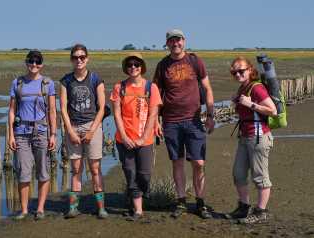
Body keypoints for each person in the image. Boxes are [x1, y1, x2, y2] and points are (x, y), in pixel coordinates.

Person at [153, 29, 215, 219]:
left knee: (199, 162)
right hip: (171, 121)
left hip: (194, 120)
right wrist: (156, 120)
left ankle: (200, 202)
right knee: (177, 162)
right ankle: (180, 201)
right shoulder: (163, 65)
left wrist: (211, 115)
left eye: (178, 40)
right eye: (171, 41)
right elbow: (155, 95)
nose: (175, 44)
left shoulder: (195, 61)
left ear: (184, 41)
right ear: (167, 44)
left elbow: (207, 87)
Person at [110, 53, 162, 221]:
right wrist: (124, 137)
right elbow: (116, 114)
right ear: (126, 67)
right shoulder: (120, 87)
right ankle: (138, 210)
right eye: (130, 64)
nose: (133, 67)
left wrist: (143, 138)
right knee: (130, 173)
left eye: (137, 64)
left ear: (142, 67)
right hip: (124, 140)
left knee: (145, 174)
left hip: (145, 140)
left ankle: (136, 195)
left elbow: (153, 114)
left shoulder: (150, 87)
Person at [225, 57, 276, 224]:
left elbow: (272, 110)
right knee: (238, 174)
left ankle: (261, 211)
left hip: (259, 136)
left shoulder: (257, 88)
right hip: (245, 136)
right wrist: (237, 102)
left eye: (241, 70)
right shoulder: (243, 88)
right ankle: (244, 207)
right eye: (234, 72)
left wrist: (251, 104)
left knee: (260, 176)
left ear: (250, 70)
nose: (238, 74)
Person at [60, 44, 108, 219]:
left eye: (82, 57)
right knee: (76, 168)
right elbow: (63, 109)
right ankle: (73, 207)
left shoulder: (96, 79)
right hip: (73, 127)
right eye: (75, 57)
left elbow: (102, 108)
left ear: (87, 58)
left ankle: (101, 207)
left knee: (95, 169)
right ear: (71, 60)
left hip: (92, 126)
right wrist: (71, 131)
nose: (79, 60)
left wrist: (91, 131)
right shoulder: (66, 81)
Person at [8, 50, 57, 220]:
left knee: (43, 171)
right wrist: (11, 135)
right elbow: (12, 110)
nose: (34, 65)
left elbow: (52, 111)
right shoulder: (17, 83)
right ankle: (24, 210)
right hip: (21, 133)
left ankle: (40, 209)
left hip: (42, 132)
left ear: (41, 64)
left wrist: (53, 135)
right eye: (31, 61)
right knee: (23, 173)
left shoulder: (48, 83)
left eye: (37, 62)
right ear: (26, 62)